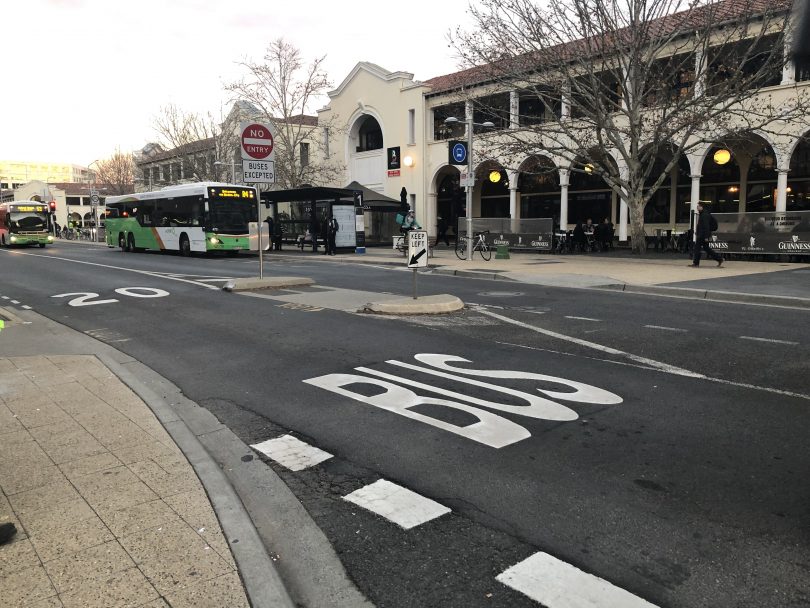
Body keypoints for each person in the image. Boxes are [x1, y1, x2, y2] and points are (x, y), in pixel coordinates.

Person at [690, 202, 723, 267]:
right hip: (702, 234)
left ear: (702, 207)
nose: (697, 207)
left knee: (697, 248)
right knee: (707, 248)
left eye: (699, 206)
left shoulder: (704, 215)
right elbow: (702, 226)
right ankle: (719, 259)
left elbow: (706, 226)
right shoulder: (703, 214)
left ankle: (696, 263)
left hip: (702, 235)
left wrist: (706, 237)